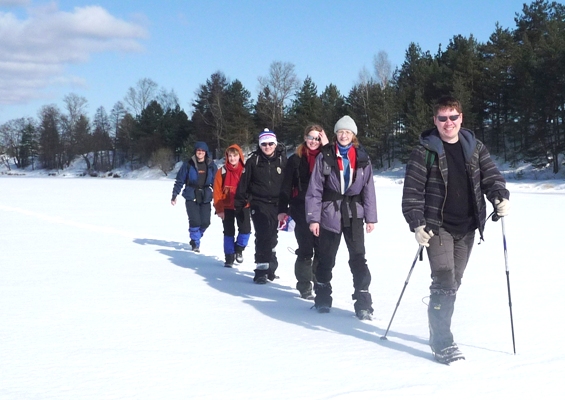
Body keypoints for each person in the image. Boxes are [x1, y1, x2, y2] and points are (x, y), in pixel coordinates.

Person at [401, 95, 510, 365]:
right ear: (435, 121)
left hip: (468, 227)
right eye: (442, 118)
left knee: (453, 283)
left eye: (453, 117)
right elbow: (412, 192)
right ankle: (442, 340)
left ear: (461, 118)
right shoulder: (424, 151)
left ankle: (437, 327)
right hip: (437, 227)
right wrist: (417, 223)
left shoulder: (474, 147)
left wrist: (499, 195)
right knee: (444, 279)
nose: (448, 123)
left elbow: (491, 176)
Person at [305, 116, 378, 320]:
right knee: (326, 258)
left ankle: (363, 302)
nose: (344, 135)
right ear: (335, 134)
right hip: (330, 213)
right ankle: (322, 297)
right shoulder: (325, 156)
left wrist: (371, 217)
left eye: (347, 132)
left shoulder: (362, 157)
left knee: (358, 258)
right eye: (340, 132)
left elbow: (369, 189)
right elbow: (315, 190)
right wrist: (313, 219)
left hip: (354, 214)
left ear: (353, 135)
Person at [278, 124, 329, 299]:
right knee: (306, 249)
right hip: (300, 208)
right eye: (310, 137)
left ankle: (319, 283)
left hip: (323, 209)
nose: (313, 141)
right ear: (305, 137)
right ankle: (304, 286)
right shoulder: (295, 159)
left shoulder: (327, 157)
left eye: (317, 138)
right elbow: (285, 186)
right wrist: (282, 210)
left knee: (322, 249)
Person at [235, 128, 287, 284]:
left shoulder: (283, 161)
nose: (268, 147)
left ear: (275, 144)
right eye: (264, 144)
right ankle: (261, 270)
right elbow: (243, 184)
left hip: (278, 204)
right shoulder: (253, 161)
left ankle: (271, 267)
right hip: (259, 202)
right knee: (263, 233)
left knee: (272, 235)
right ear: (260, 145)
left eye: (271, 143)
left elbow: (289, 184)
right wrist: (240, 204)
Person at [171, 141, 218, 253]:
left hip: (206, 195)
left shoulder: (211, 165)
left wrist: (219, 198)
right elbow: (179, 180)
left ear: (206, 152)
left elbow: (216, 183)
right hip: (191, 194)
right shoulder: (188, 164)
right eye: (198, 150)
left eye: (202, 151)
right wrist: (174, 195)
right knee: (195, 221)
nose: (200, 152)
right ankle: (195, 242)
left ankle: (196, 236)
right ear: (195, 151)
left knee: (206, 222)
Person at [213, 144, 251, 267]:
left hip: (243, 205)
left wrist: (250, 201)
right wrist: (219, 209)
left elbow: (252, 187)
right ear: (227, 157)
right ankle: (229, 256)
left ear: (239, 156)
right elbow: (217, 191)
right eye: (230, 156)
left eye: (235, 156)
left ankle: (239, 249)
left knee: (245, 230)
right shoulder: (222, 171)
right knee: (229, 232)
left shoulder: (246, 170)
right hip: (227, 206)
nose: (232, 158)